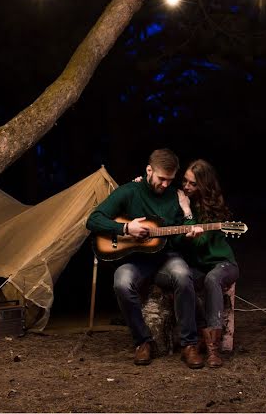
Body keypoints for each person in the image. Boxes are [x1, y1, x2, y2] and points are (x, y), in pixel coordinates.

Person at [85, 148, 206, 368]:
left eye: (170, 180)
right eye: (161, 179)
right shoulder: (129, 191)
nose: (165, 185)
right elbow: (93, 220)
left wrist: (188, 235)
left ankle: (189, 344)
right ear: (149, 170)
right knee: (121, 282)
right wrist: (125, 228)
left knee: (182, 275)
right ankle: (142, 341)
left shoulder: (175, 197)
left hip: (167, 256)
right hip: (137, 259)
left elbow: (177, 239)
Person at [177, 159, 239, 368]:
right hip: (198, 267)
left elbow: (200, 242)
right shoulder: (180, 198)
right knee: (182, 280)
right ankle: (201, 333)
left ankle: (213, 349)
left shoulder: (212, 207)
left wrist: (187, 213)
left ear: (204, 185)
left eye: (193, 184)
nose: (186, 187)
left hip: (222, 264)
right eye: (185, 181)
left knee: (212, 279)